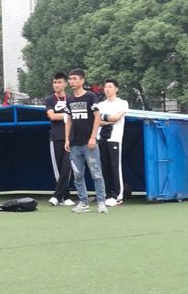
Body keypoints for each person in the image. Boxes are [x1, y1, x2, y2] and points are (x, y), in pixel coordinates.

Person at [64, 69, 108, 214]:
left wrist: (93, 137)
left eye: (75, 78)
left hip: (89, 143)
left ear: (82, 80)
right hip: (74, 144)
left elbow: (97, 117)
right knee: (77, 175)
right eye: (70, 79)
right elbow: (69, 119)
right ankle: (83, 202)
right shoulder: (69, 99)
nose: (72, 81)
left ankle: (101, 202)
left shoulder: (90, 96)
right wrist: (67, 139)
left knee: (96, 173)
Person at [97, 78, 129, 207]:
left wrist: (105, 118)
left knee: (115, 167)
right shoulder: (100, 105)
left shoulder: (122, 103)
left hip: (114, 138)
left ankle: (118, 196)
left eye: (110, 87)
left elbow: (117, 118)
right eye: (105, 87)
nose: (107, 89)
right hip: (101, 137)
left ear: (116, 89)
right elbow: (96, 121)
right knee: (103, 167)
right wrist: (108, 120)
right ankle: (106, 194)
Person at [46, 72, 74, 207]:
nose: (56, 85)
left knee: (67, 168)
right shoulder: (49, 100)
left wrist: (64, 115)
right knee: (58, 169)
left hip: (70, 138)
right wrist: (67, 115)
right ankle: (64, 196)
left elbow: (75, 116)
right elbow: (52, 116)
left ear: (65, 84)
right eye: (54, 83)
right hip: (56, 137)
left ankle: (58, 196)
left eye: (59, 82)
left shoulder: (71, 99)